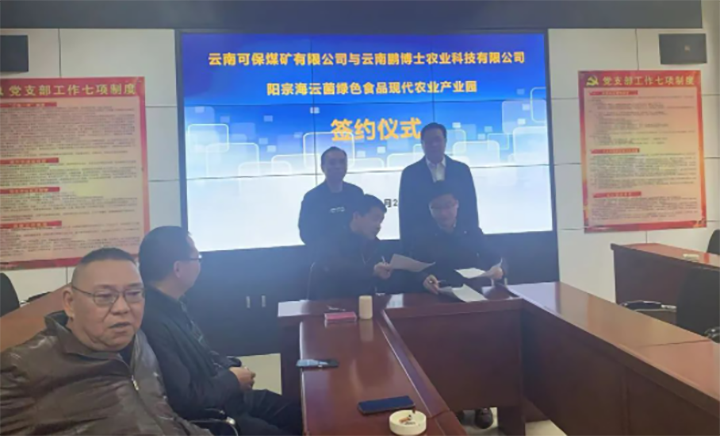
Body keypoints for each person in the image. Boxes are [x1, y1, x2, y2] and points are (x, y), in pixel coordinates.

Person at [0, 248, 212, 436]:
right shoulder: (24, 368)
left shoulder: (138, 341)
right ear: (70, 303)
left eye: (134, 294)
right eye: (104, 296)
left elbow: (162, 415)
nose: (122, 308)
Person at [139, 226, 303, 436]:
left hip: (227, 398)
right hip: (215, 418)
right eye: (197, 258)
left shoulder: (174, 305)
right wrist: (232, 380)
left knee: (300, 413)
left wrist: (230, 367)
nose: (199, 264)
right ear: (178, 269)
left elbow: (203, 354)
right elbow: (186, 399)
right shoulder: (153, 323)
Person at [408, 182, 501, 429]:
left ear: (457, 205)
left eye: (448, 206)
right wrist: (422, 278)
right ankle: (454, 403)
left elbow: (495, 258)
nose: (443, 212)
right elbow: (413, 269)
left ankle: (482, 403)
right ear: (430, 209)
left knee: (477, 351)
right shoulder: (421, 235)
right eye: (437, 208)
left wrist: (497, 269)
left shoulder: (472, 230)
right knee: (446, 354)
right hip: (438, 299)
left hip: (472, 298)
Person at [399, 122, 479, 249]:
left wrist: (474, 240)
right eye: (429, 141)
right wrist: (407, 248)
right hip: (423, 245)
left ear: (445, 141)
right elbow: (405, 214)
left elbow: (470, 207)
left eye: (437, 140)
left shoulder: (461, 170)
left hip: (460, 243)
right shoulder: (410, 173)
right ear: (422, 144)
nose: (434, 144)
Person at [309, 194, 397, 300]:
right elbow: (338, 269)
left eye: (381, 221)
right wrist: (372, 271)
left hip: (366, 304)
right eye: (375, 219)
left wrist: (384, 274)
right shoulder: (332, 240)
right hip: (331, 304)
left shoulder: (376, 245)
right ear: (356, 216)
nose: (378, 226)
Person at [298, 146, 364, 251]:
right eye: (332, 163)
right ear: (322, 167)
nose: (338, 166)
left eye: (342, 162)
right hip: (324, 256)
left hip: (356, 253)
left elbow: (365, 225)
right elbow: (306, 233)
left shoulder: (356, 192)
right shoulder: (312, 198)